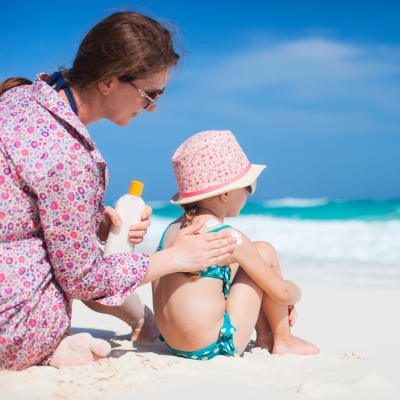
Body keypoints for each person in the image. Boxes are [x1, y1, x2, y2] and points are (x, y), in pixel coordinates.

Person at [0, 12, 237, 371]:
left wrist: (92, 221)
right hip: (12, 328)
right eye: (149, 94)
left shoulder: (19, 99)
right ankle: (46, 350)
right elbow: (83, 279)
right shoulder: (70, 158)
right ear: (108, 82)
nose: (154, 107)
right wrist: (177, 257)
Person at [152, 130, 319, 360]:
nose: (250, 193)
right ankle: (284, 340)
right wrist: (293, 294)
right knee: (264, 251)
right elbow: (282, 293)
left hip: (175, 344)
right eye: (248, 186)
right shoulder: (228, 237)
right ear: (226, 194)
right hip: (214, 348)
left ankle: (266, 336)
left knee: (245, 265)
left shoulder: (173, 230)